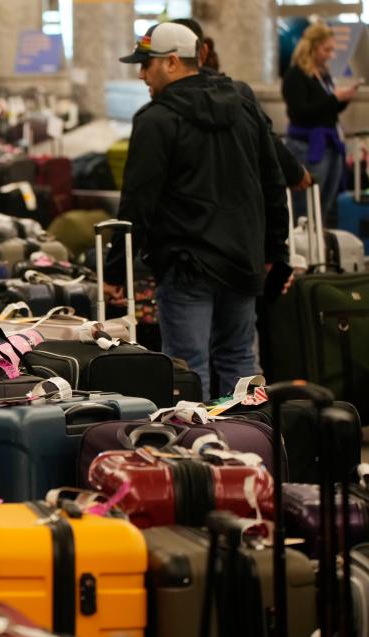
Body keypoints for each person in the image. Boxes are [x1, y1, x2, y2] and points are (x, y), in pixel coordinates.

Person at [104, 22, 290, 401]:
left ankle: (195, 454)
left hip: (186, 264)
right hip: (242, 260)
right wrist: (276, 253)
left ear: (172, 62)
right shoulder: (243, 104)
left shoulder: (156, 119)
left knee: (186, 368)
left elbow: (138, 202)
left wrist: (113, 270)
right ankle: (250, 447)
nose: (141, 74)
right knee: (240, 359)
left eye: (147, 64)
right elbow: (273, 183)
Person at [172, 18, 311, 192]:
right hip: (238, 203)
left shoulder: (164, 108)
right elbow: (267, 142)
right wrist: (295, 173)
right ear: (203, 51)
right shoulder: (239, 93)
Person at [282, 21, 360, 222]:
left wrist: (344, 98)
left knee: (325, 206)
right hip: (306, 146)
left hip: (329, 143)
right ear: (313, 47)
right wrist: (334, 99)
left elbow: (327, 110)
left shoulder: (323, 75)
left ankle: (321, 246)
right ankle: (304, 249)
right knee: (306, 207)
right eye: (327, 49)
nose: (330, 55)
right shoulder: (295, 76)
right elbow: (301, 112)